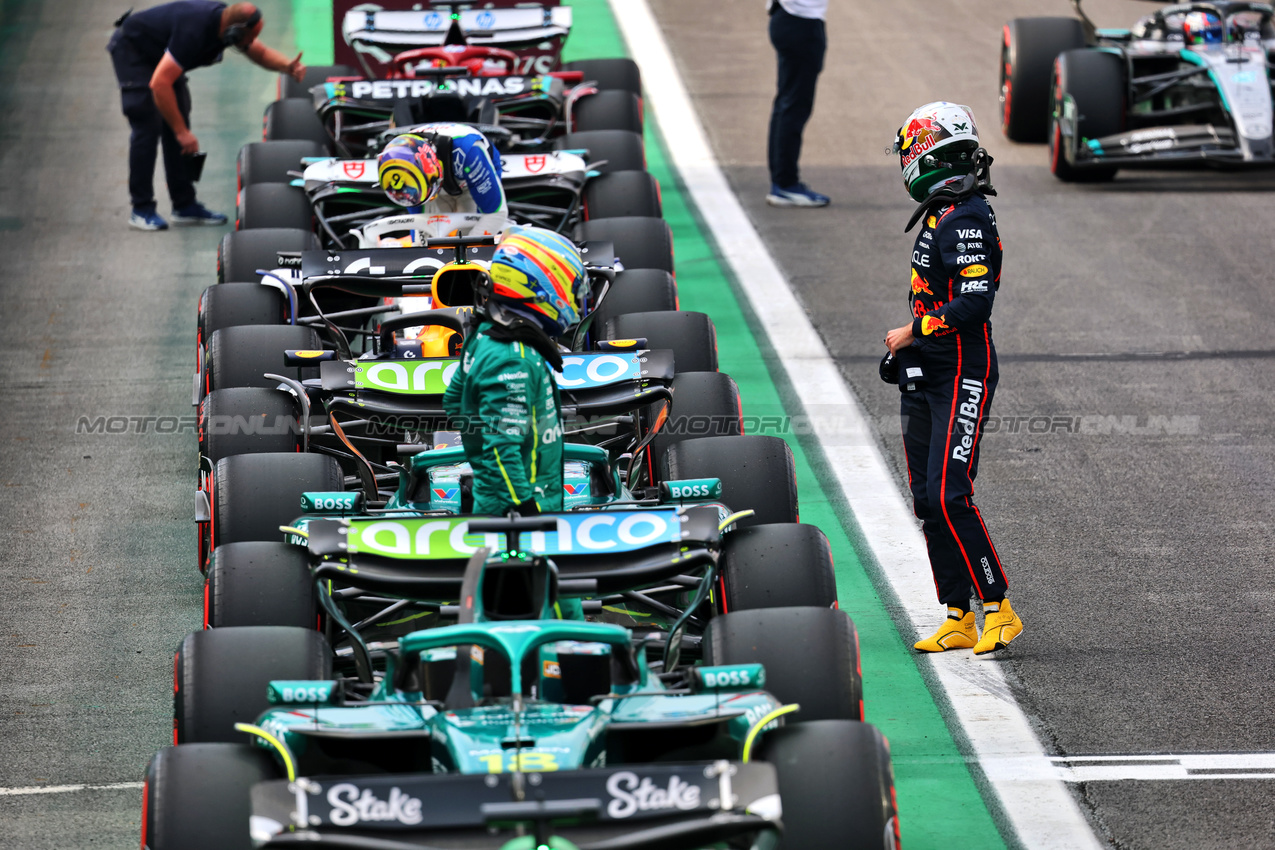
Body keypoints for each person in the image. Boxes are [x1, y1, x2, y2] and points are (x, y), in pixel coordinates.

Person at [882, 101, 1023, 655]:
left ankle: (999, 608)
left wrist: (915, 330)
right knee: (924, 495)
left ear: (926, 154)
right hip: (930, 369)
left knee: (947, 493)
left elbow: (975, 303)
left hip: (961, 365)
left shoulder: (964, 215)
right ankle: (959, 613)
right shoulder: (945, 211)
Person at [108, 2, 305, 231]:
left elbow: (258, 52)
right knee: (147, 125)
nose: (251, 42)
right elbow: (160, 83)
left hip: (161, 57)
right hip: (134, 52)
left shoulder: (229, 27)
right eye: (250, 37)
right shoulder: (193, 32)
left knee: (178, 117)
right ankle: (141, 209)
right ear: (235, 31)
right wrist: (182, 133)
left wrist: (286, 66)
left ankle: (184, 205)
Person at [442, 226, 583, 516]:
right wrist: (523, 508)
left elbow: (454, 400)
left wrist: (483, 470)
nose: (574, 301)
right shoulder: (513, 357)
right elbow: (501, 448)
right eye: (571, 290)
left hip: (498, 500)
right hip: (519, 515)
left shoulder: (485, 333)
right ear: (543, 288)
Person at [375, 123, 508, 242]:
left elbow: (496, 213)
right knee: (427, 240)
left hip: (469, 177)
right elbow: (418, 224)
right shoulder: (409, 183)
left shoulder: (468, 152)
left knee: (466, 235)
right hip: (430, 180)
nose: (408, 194)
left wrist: (470, 248)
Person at [765, 0, 829, 208]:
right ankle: (785, 183)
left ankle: (782, 181)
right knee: (794, 107)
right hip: (801, 22)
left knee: (786, 105)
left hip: (788, 18)